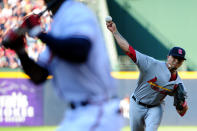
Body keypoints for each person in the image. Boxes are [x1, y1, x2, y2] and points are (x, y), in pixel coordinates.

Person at [2, 0, 123, 131]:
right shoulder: (58, 23)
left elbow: (79, 52)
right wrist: (20, 50)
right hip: (78, 114)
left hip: (98, 109)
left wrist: (39, 33)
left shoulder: (76, 12)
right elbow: (39, 75)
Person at [106, 19, 188, 131]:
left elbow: (182, 112)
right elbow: (129, 50)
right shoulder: (151, 64)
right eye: (174, 58)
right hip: (136, 104)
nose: (176, 61)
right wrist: (115, 32)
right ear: (168, 56)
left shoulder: (178, 84)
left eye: (180, 60)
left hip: (156, 107)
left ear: (182, 62)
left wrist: (182, 105)